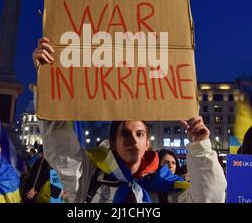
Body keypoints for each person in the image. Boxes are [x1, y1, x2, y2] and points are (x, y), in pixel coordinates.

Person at [33, 37, 227, 203]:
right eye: (125, 134)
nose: (133, 140)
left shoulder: (168, 188)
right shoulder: (89, 178)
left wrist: (201, 147)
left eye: (139, 134)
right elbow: (59, 147)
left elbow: (210, 197)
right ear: (113, 144)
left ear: (147, 143)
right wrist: (47, 79)